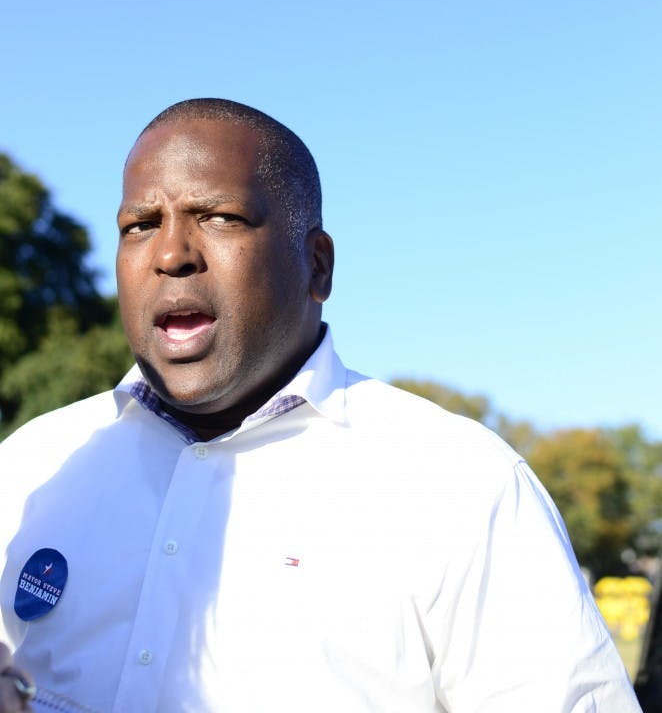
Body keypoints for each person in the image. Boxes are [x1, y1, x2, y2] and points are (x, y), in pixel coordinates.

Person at [0, 98, 641, 712]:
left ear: (317, 265)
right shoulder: (35, 463)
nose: (170, 255)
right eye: (140, 226)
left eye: (220, 217)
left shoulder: (462, 486)